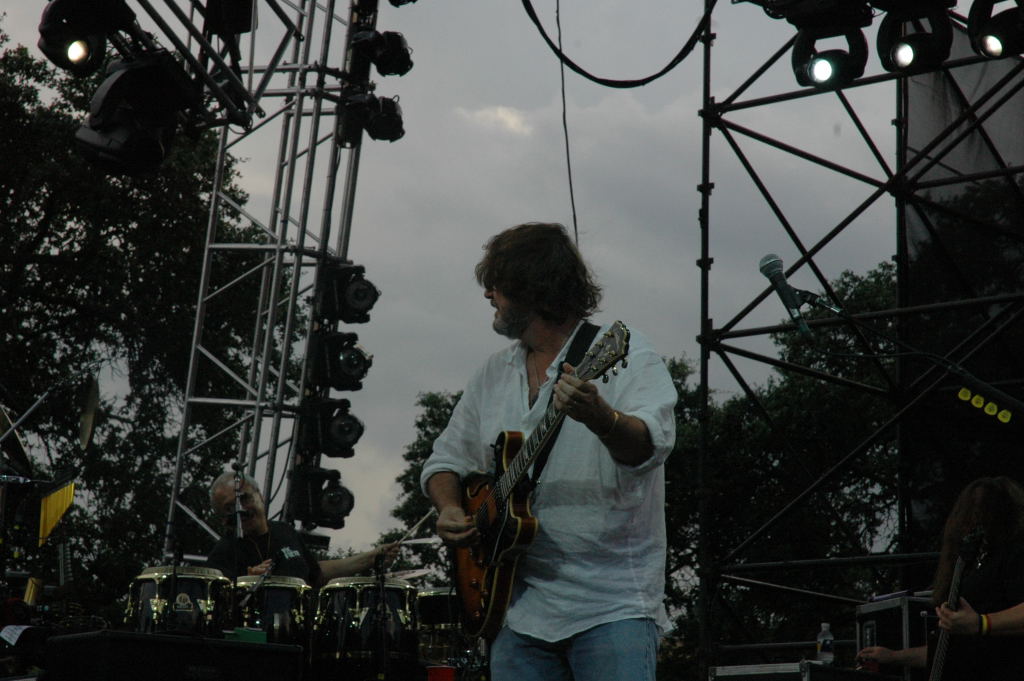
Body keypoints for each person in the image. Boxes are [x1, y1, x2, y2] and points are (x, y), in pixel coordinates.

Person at [420, 222, 678, 681]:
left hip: (611, 607)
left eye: (496, 286)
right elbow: (445, 461)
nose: (488, 296)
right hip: (516, 610)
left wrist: (602, 418)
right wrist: (451, 507)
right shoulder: (493, 374)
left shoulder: (628, 354)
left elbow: (650, 446)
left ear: (532, 290)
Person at [857, 476, 1024, 679]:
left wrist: (982, 623)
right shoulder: (970, 565)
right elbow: (948, 651)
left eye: (982, 509)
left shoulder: (1014, 554)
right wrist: (894, 656)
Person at [206, 470, 395, 588]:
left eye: (245, 499)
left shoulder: (285, 531)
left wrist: (371, 558)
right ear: (223, 519)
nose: (241, 510)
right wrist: (246, 583)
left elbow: (316, 574)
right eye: (230, 507)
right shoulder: (224, 553)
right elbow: (218, 605)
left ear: (260, 496)